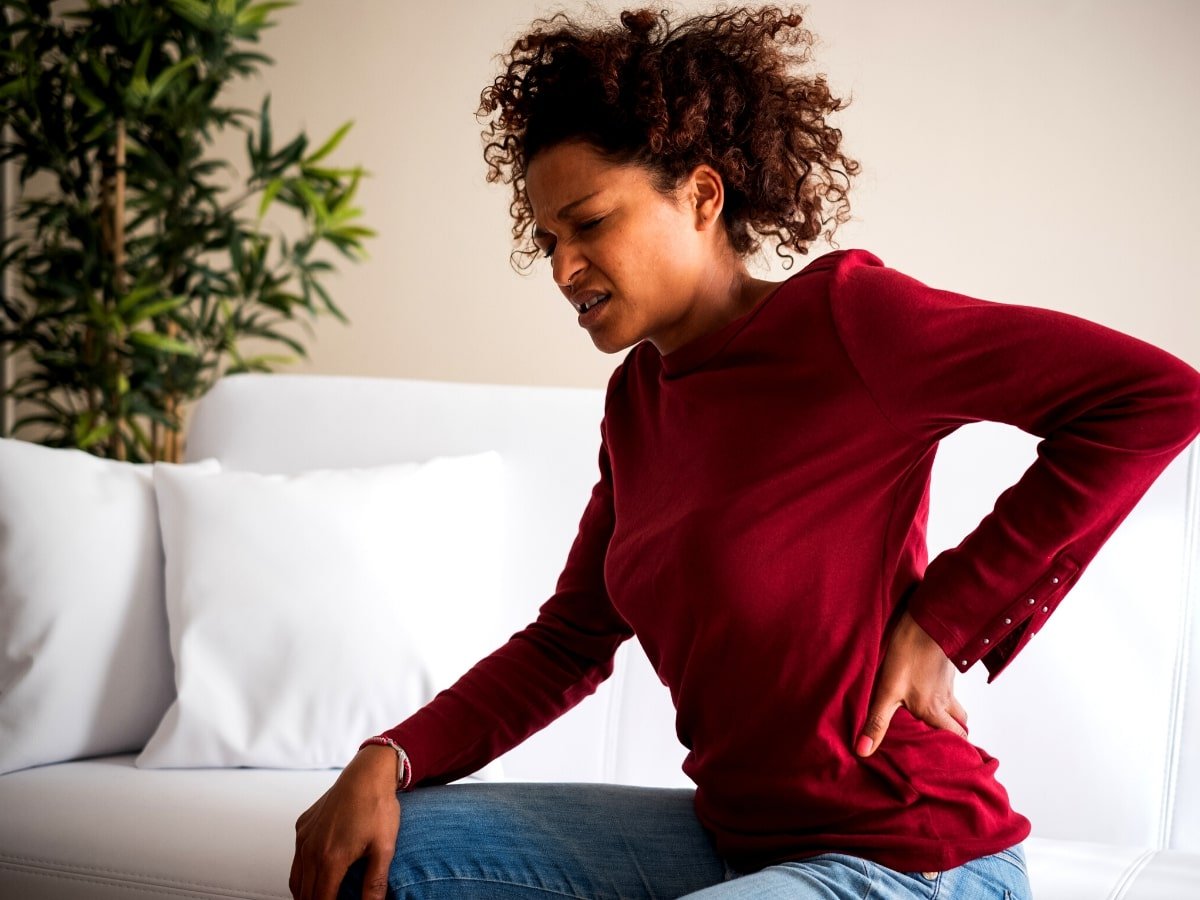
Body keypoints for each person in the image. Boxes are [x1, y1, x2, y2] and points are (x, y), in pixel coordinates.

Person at [289, 5, 1200, 899]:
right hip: (735, 844)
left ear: (700, 195)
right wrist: (390, 756)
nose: (563, 269)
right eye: (548, 241)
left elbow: (1154, 397)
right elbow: (570, 637)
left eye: (590, 223)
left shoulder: (850, 323)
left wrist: (945, 619)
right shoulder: (637, 402)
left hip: (916, 858)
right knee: (387, 854)